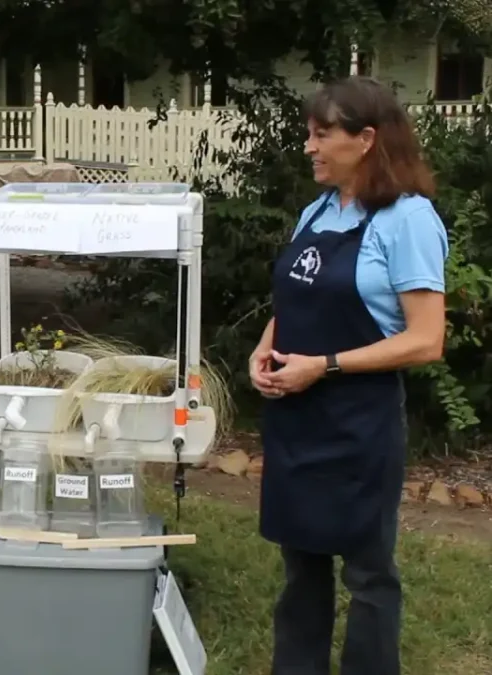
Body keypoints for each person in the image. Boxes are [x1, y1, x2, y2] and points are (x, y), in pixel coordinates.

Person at [249, 76, 447, 675]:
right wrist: (268, 346)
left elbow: (426, 339)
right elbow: (294, 299)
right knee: (301, 566)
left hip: (358, 425)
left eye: (321, 134)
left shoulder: (406, 220)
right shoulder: (319, 209)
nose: (309, 146)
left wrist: (325, 366)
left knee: (368, 575)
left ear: (365, 139)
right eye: (308, 134)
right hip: (295, 418)